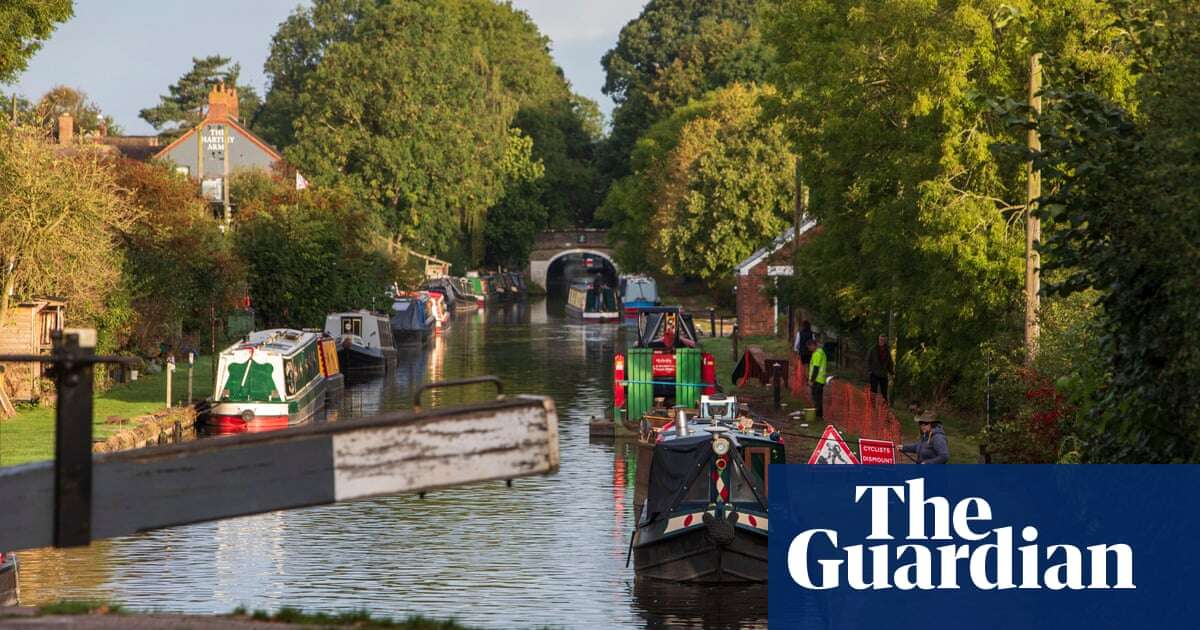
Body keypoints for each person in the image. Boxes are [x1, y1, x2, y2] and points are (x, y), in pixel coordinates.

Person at [866, 334, 894, 402]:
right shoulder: (873, 349)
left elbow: (890, 362)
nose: (882, 341)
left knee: (884, 391)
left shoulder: (887, 351)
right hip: (874, 372)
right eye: (881, 340)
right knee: (873, 390)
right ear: (878, 340)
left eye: (884, 340)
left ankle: (885, 405)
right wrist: (869, 370)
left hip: (883, 373)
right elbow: (868, 360)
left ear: (885, 341)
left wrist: (891, 372)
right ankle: (872, 404)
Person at [807, 338, 829, 419]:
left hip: (817, 380)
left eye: (809, 347)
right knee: (818, 398)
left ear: (813, 345)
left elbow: (816, 368)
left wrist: (811, 380)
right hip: (820, 380)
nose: (809, 349)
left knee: (816, 398)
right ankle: (819, 414)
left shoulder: (817, 354)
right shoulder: (820, 352)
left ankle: (818, 415)